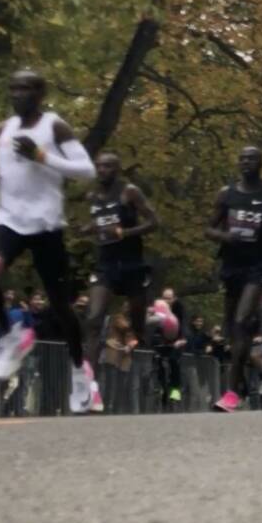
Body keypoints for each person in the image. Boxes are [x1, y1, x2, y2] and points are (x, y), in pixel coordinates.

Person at [0, 68, 98, 414]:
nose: (18, 93)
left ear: (40, 94)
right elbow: (8, 171)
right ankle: (11, 333)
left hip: (46, 224)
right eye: (13, 87)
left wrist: (43, 157)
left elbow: (86, 170)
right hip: (9, 219)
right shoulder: (3, 129)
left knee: (61, 306)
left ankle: (79, 372)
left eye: (26, 88)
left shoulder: (54, 126)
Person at [205, 146, 262, 412]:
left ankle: (231, 393)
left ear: (261, 162)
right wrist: (224, 236)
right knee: (234, 330)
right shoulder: (227, 194)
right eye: (242, 158)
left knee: (241, 319)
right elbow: (208, 229)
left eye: (251, 158)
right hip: (232, 264)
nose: (246, 162)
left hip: (260, 265)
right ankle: (241, 385)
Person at [80, 151, 159, 411]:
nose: (102, 170)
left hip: (132, 266)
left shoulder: (130, 192)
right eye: (99, 166)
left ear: (117, 169)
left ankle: (145, 355)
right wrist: (91, 229)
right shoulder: (92, 197)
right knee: (93, 319)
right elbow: (99, 225)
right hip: (106, 266)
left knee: (137, 324)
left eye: (108, 166)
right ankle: (91, 389)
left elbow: (153, 222)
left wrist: (126, 232)